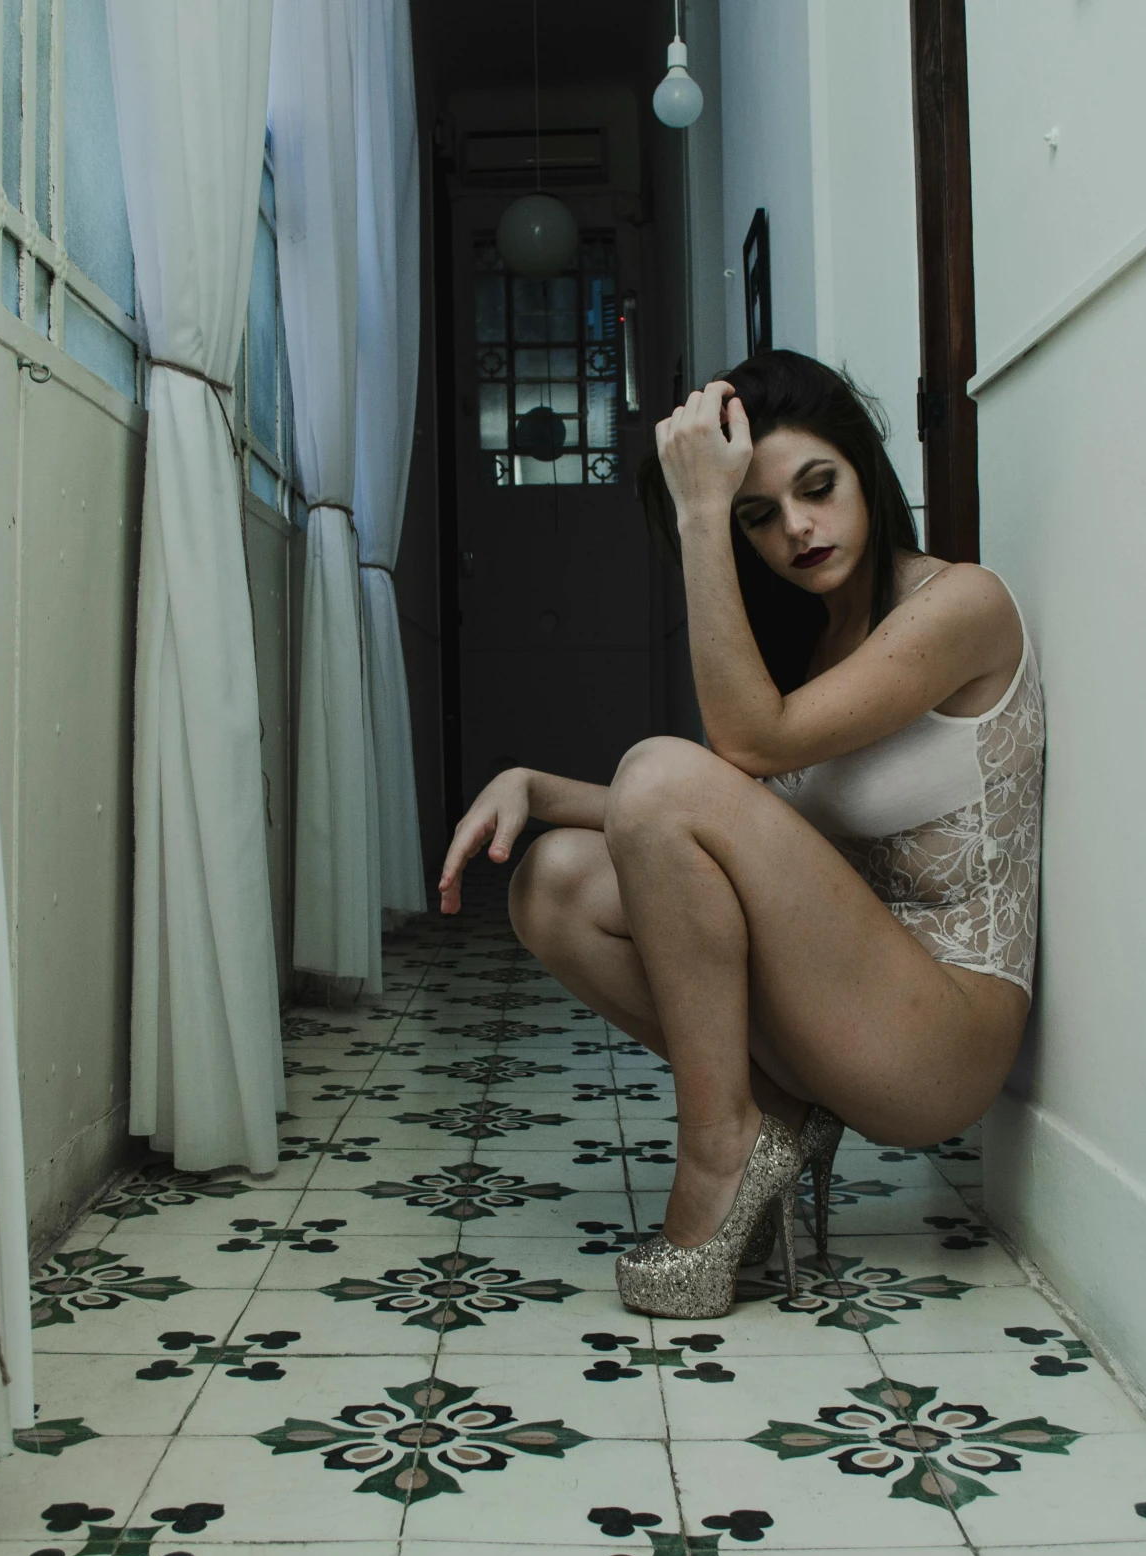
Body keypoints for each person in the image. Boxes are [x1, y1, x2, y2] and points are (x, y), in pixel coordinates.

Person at [435, 350, 1043, 1319]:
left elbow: (732, 753)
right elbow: (691, 812)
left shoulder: (964, 605)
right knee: (551, 882)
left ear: (868, 471)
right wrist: (532, 786)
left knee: (665, 768)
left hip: (946, 1036)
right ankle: (771, 1114)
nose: (796, 529)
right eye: (758, 516)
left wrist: (698, 514)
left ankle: (721, 1149)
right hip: (844, 1006)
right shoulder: (807, 648)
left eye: (817, 487)